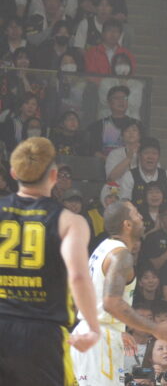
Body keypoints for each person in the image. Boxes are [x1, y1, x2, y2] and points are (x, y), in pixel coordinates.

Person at [0, 138, 101, 385]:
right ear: (54, 176)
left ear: (13, 173)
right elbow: (78, 276)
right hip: (43, 334)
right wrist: (92, 327)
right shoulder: (70, 221)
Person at [71, 199, 167, 386]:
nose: (142, 217)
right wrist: (155, 328)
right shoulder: (121, 255)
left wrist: (116, 329)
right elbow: (111, 303)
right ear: (127, 225)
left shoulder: (102, 248)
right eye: (136, 214)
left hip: (89, 333)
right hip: (99, 341)